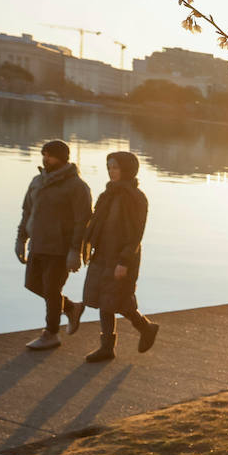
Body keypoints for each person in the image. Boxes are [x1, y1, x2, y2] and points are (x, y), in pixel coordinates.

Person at [82, 151, 159, 363]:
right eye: (109, 167)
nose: (111, 171)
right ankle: (108, 347)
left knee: (119, 301)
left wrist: (124, 261)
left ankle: (145, 327)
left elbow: (136, 233)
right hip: (102, 255)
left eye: (115, 167)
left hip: (122, 258)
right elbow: (96, 223)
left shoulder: (136, 198)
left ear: (127, 169)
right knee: (104, 301)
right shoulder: (108, 194)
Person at [15, 140, 90, 350]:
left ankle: (51, 333)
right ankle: (71, 308)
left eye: (50, 155)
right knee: (32, 284)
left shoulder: (77, 186)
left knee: (51, 288)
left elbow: (82, 221)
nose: (45, 159)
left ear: (63, 158)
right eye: (44, 154)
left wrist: (76, 251)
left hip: (60, 249)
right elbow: (27, 212)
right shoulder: (37, 181)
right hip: (37, 245)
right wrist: (21, 239)